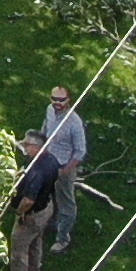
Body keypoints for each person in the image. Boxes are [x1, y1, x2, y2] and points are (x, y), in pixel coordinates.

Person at [4, 138, 60, 271]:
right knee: (35, 243)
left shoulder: (37, 171)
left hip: (31, 215)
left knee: (19, 251)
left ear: (37, 147)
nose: (25, 148)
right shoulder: (51, 160)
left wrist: (19, 212)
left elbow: (29, 200)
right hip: (46, 209)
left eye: (28, 145)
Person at [36, 84, 87, 251]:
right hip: (48, 162)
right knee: (46, 195)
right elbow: (45, 129)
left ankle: (63, 239)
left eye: (61, 99)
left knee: (66, 204)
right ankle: (49, 222)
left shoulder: (74, 122)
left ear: (68, 100)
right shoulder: (50, 110)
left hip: (65, 167)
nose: (57, 102)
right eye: (54, 99)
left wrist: (64, 171)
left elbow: (80, 152)